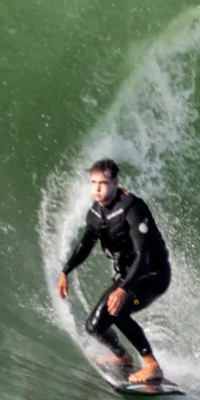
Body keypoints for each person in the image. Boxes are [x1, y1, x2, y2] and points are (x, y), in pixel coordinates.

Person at [54, 158, 172, 384]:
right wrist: (65, 271)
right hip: (127, 278)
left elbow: (144, 257)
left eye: (103, 183)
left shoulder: (132, 209)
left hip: (153, 276)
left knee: (120, 310)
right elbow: (85, 245)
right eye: (93, 183)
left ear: (115, 183)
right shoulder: (96, 214)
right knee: (94, 327)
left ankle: (152, 365)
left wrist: (123, 289)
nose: (97, 188)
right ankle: (123, 356)